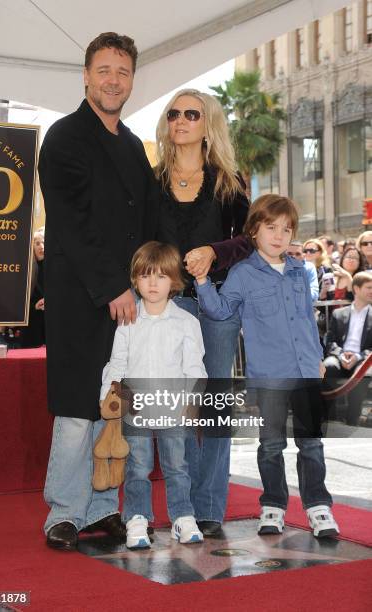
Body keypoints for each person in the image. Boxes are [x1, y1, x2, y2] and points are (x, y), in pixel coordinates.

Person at [38, 32, 158, 551]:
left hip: (127, 302)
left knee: (113, 404)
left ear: (132, 79)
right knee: (75, 409)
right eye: (104, 70)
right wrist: (113, 285)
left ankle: (102, 507)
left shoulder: (133, 145)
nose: (114, 80)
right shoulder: (63, 137)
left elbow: (149, 222)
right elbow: (71, 222)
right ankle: (64, 512)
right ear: (86, 75)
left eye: (123, 71)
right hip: (82, 297)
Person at [193, 194, 339, 539]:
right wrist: (201, 282)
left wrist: (317, 358)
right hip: (269, 375)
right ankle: (273, 506)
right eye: (271, 228)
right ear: (254, 230)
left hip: (305, 371)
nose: (279, 236)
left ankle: (319, 507)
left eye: (287, 230)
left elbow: (307, 319)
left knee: (312, 443)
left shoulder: (299, 271)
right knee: (271, 445)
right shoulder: (242, 273)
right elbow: (222, 310)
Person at [156, 88, 249, 535]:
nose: (180, 120)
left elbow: (249, 240)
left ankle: (209, 506)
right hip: (166, 304)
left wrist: (214, 251)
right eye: (174, 113)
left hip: (216, 306)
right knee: (176, 407)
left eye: (191, 113)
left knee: (212, 407)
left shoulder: (229, 180)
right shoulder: (151, 180)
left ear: (207, 121)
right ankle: (182, 504)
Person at [100, 241, 207, 549]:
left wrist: (193, 400)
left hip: (173, 408)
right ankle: (136, 518)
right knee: (137, 466)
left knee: (178, 466)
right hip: (135, 408)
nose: (152, 283)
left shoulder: (187, 322)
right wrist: (110, 393)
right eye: (146, 276)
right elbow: (117, 361)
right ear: (135, 280)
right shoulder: (127, 321)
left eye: (161, 276)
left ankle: (183, 517)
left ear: (174, 281)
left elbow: (194, 366)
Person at [323, 271, 372, 425]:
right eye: (369, 287)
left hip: (363, 358)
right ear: (356, 289)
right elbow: (330, 342)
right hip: (339, 356)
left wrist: (358, 357)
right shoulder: (338, 313)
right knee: (328, 366)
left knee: (365, 371)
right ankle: (330, 419)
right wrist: (342, 354)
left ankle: (352, 419)